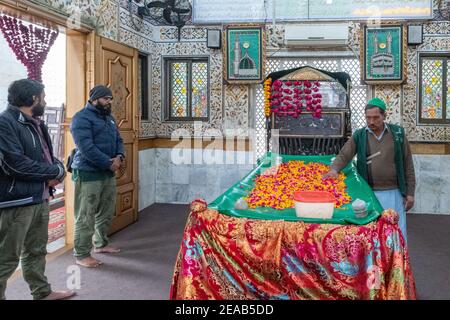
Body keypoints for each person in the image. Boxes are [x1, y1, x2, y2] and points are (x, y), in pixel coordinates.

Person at [0, 79, 75, 300]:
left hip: (39, 197)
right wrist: (52, 173)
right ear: (34, 98)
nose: (45, 100)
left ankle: (41, 292)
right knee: (6, 258)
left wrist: (59, 169)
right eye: (43, 96)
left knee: (36, 251)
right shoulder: (6, 122)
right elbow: (15, 164)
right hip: (17, 201)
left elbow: (48, 156)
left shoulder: (36, 122)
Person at [324, 97, 416, 242]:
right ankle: (373, 264)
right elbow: (344, 154)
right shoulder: (360, 135)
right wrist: (335, 169)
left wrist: (410, 193)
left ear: (384, 116)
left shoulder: (397, 134)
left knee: (394, 234)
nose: (371, 122)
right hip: (368, 194)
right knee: (372, 234)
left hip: (394, 194)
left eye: (376, 118)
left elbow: (408, 164)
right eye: (368, 118)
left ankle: (395, 263)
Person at [70, 85, 125, 268]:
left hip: (107, 172)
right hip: (88, 172)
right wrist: (108, 163)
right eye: (106, 99)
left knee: (106, 210)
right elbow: (86, 148)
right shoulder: (81, 118)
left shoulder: (108, 118)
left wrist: (119, 156)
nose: (109, 102)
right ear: (94, 99)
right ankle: (81, 254)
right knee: (85, 214)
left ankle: (100, 244)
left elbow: (119, 140)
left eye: (110, 99)